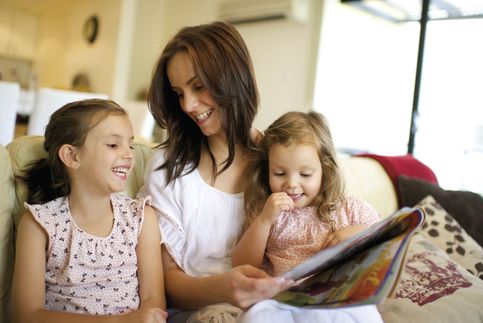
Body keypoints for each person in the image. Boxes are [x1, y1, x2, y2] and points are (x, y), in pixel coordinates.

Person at [139, 21, 383, 323]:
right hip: (206, 310)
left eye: (198, 86)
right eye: (178, 93)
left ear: (232, 81)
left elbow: (345, 220)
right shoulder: (167, 169)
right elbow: (164, 282)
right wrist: (221, 289)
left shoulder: (280, 160)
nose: (188, 104)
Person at [12, 99, 167, 323]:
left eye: (130, 145)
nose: (129, 154)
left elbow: (154, 300)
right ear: (72, 157)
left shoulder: (141, 218)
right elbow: (27, 316)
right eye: (113, 145)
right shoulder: (40, 224)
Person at [232, 111, 381, 278]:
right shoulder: (267, 212)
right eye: (279, 173)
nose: (291, 184)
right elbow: (242, 266)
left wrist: (361, 233)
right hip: (287, 297)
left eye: (305, 174)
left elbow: (388, 235)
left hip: (337, 295)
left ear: (325, 170)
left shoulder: (350, 209)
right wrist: (264, 220)